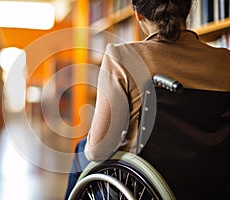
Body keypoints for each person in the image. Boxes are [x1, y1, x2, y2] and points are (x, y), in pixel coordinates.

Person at [64, 0, 230, 199]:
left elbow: (98, 152)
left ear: (138, 15)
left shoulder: (123, 56)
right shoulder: (225, 61)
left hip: (145, 189)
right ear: (188, 10)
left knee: (83, 149)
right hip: (214, 185)